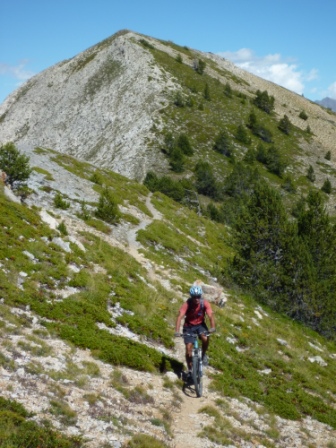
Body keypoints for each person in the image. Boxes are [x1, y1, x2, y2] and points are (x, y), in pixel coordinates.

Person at [175, 285, 215, 376]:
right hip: (189, 326)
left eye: (198, 297)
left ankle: (203, 354)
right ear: (191, 297)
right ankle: (190, 371)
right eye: (194, 297)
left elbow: (210, 315)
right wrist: (177, 331)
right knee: (188, 348)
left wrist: (212, 327)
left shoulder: (204, 303)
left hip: (200, 325)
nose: (196, 299)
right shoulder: (187, 304)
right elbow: (179, 316)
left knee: (205, 338)